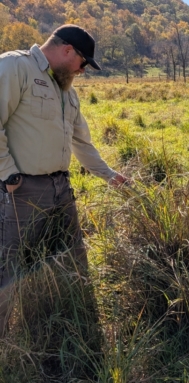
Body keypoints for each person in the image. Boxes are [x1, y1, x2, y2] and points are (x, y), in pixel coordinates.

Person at [0, 24, 127, 354]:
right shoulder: (15, 67)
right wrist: (9, 176)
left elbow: (81, 142)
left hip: (60, 189)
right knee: (9, 270)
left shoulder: (67, 91)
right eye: (83, 63)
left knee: (70, 264)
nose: (83, 71)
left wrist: (109, 175)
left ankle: (69, 338)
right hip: (19, 191)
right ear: (67, 50)